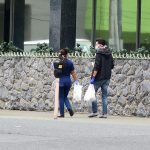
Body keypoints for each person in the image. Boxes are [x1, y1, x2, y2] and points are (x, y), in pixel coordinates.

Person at [89, 38, 114, 118]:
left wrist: (93, 77)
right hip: (107, 77)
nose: (95, 45)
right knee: (104, 96)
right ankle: (104, 113)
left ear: (100, 45)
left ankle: (95, 111)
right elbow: (112, 65)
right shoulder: (109, 53)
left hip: (99, 77)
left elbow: (96, 66)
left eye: (96, 44)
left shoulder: (99, 53)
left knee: (93, 93)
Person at [55, 48, 78, 118]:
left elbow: (57, 73)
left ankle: (62, 113)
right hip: (68, 81)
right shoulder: (70, 62)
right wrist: (76, 80)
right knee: (65, 96)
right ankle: (69, 108)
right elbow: (73, 73)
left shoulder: (59, 63)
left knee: (61, 97)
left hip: (61, 81)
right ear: (67, 54)